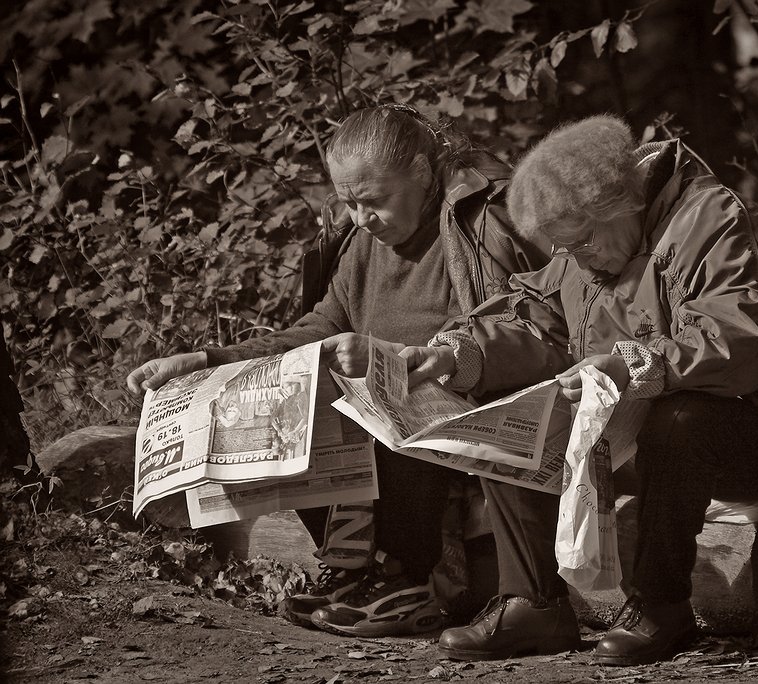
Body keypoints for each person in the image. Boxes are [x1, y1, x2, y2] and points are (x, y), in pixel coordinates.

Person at [401, 114, 758, 664]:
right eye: (562, 248)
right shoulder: (587, 248)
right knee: (512, 416)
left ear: (628, 200)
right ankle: (533, 604)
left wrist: (631, 364)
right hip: (646, 430)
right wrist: (459, 354)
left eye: (584, 241)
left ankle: (660, 606)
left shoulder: (717, 221)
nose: (578, 258)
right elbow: (533, 318)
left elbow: (742, 339)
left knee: (683, 419)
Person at [126, 104, 551, 637]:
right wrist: (209, 360)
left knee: (391, 392)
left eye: (373, 201)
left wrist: (398, 355)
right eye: (348, 202)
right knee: (281, 399)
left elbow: (516, 330)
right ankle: (354, 568)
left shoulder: (481, 225)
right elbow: (322, 325)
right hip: (386, 424)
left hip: (466, 415)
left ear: (422, 172)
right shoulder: (362, 243)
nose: (360, 219)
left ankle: (408, 577)